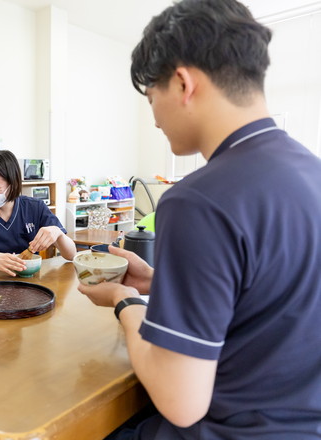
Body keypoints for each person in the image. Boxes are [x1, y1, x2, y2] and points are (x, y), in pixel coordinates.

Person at [79, 1, 321, 439]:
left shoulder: (197, 200)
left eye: (152, 98)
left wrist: (124, 301)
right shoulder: (311, 172)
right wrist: (158, 281)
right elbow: (272, 297)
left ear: (183, 83)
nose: (154, 119)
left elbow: (181, 402)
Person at [0, 150, 76, 276]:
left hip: (32, 282)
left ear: (13, 184)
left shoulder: (35, 207)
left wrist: (58, 233)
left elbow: (71, 254)